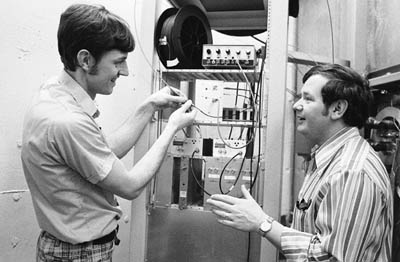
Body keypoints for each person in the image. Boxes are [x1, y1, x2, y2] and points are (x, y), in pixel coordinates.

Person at [21, 4, 196, 262]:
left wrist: (149, 106)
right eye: (118, 62)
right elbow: (130, 185)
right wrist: (171, 128)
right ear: (85, 59)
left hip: (73, 249)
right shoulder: (68, 121)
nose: (124, 71)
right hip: (79, 254)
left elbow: (104, 152)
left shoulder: (55, 94)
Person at [206, 64, 393, 261]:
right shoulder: (328, 159)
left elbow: (333, 258)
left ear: (337, 109)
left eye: (308, 98)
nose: (296, 105)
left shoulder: (352, 172)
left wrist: (263, 223)